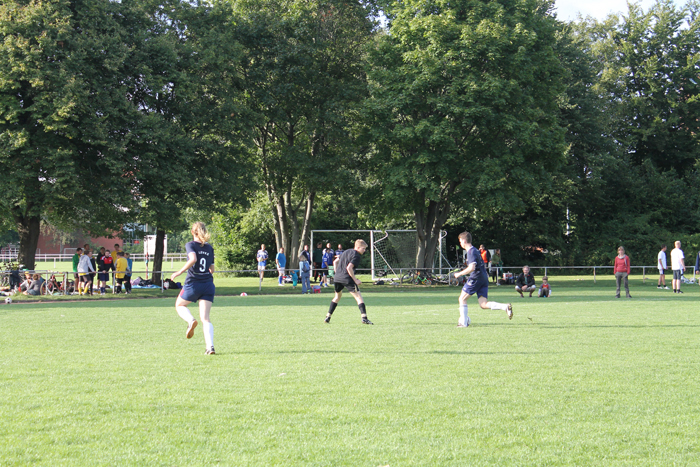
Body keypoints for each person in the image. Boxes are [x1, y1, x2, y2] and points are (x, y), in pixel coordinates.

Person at [171, 222, 216, 355]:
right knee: (205, 318)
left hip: (193, 283)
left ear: (192, 232)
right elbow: (212, 269)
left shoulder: (190, 245)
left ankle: (191, 320)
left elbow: (193, 259)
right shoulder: (209, 247)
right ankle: (210, 347)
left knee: (179, 305)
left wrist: (179, 272)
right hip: (208, 284)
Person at [453, 232, 512, 327]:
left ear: (464, 240)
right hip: (483, 278)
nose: (460, 243)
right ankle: (505, 307)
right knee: (483, 304)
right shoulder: (476, 250)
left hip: (476, 278)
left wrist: (459, 274)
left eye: (460, 241)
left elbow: (472, 267)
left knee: (462, 299)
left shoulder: (471, 252)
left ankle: (463, 323)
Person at [324, 239, 373, 325]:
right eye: (363, 248)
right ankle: (364, 318)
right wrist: (355, 280)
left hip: (337, 278)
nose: (364, 250)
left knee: (337, 297)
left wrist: (337, 273)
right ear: (358, 247)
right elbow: (349, 268)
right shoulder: (356, 255)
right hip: (347, 278)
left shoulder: (346, 252)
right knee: (358, 297)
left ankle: (328, 316)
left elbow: (335, 262)